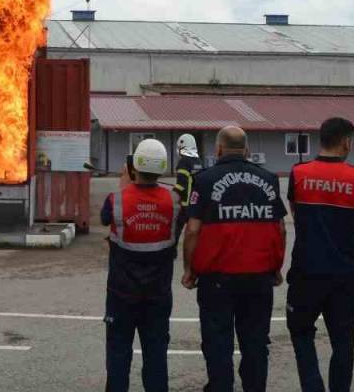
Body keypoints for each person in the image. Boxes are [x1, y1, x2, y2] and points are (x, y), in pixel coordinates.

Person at [182, 126, 287, 392]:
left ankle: (220, 387)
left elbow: (193, 229)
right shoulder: (269, 179)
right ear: (248, 150)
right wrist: (276, 267)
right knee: (255, 341)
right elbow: (281, 229)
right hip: (259, 276)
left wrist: (189, 269)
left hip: (217, 278)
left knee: (217, 341)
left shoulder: (205, 180)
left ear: (218, 149)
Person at [285, 117, 354, 392]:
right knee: (343, 340)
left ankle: (313, 386)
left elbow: (296, 214)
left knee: (301, 333)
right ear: (346, 141)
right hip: (343, 272)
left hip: (306, 269)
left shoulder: (298, 172)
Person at [101, 138, 179, 392]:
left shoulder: (117, 200)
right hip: (158, 294)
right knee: (156, 356)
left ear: (134, 165)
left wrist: (126, 186)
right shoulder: (174, 202)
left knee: (118, 356)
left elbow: (105, 217)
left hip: (121, 294)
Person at [172, 133, 199, 239]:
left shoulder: (183, 162)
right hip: (196, 204)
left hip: (184, 205)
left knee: (175, 231)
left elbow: (181, 186)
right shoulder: (198, 161)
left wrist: (170, 195)